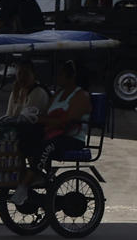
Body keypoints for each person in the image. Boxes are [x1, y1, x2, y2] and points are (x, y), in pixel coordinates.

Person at [8, 59, 90, 205]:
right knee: (23, 136)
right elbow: (47, 116)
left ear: (70, 77)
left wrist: (42, 120)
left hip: (71, 138)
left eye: (60, 75)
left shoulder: (81, 96)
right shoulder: (58, 95)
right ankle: (29, 175)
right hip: (54, 133)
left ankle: (25, 184)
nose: (57, 78)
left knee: (46, 146)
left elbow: (67, 122)